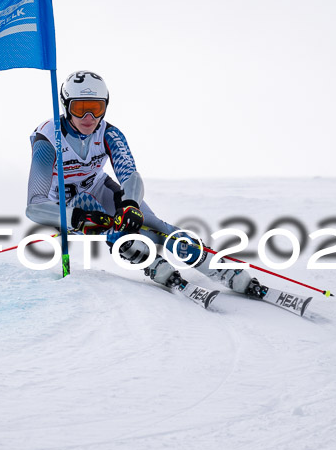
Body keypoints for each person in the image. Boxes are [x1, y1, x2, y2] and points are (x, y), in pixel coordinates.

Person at [25, 70, 266, 298]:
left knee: (154, 225)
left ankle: (222, 270)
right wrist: (75, 217)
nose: (89, 118)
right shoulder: (48, 139)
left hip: (99, 187)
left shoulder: (110, 133)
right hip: (64, 204)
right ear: (66, 106)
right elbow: (35, 206)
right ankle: (151, 263)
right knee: (118, 232)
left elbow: (130, 175)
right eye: (80, 109)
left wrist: (130, 205)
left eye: (96, 108)